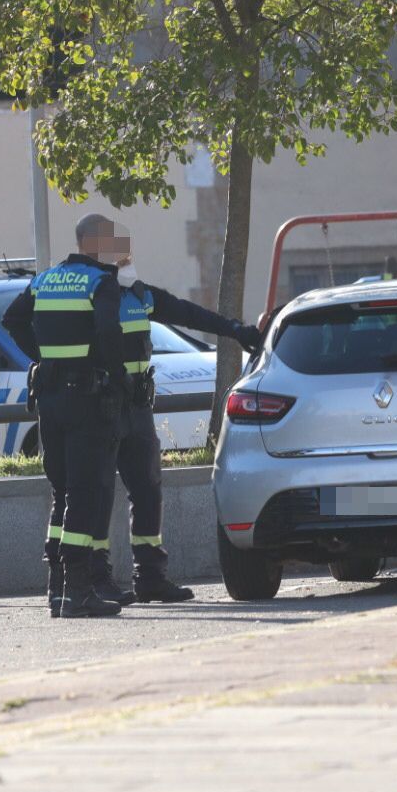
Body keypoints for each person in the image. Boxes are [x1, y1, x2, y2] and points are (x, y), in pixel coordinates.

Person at [106, 246, 263, 603]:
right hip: (101, 408)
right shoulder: (92, 295)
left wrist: (235, 330)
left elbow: (188, 313)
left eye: (128, 259)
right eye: (120, 261)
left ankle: (149, 577)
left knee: (147, 491)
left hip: (136, 408)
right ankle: (97, 581)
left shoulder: (140, 295)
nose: (127, 266)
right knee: (97, 494)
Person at [2, 213, 129, 618]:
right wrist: (117, 378)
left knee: (61, 491)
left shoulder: (45, 280)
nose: (117, 246)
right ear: (94, 243)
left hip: (50, 399)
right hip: (87, 399)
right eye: (111, 239)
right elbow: (110, 335)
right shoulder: (100, 283)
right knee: (85, 491)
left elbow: (13, 319)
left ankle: (56, 589)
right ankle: (77, 591)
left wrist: (44, 356)